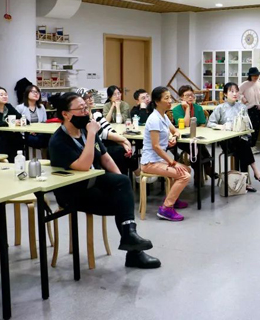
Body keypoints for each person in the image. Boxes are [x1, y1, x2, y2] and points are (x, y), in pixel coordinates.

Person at [48, 92, 160, 268]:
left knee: (122, 187)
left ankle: (130, 238)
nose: (86, 112)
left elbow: (105, 158)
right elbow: (84, 166)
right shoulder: (59, 141)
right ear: (66, 114)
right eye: (81, 109)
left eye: (86, 108)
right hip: (73, 192)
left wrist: (120, 181)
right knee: (121, 205)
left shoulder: (84, 130)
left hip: (92, 183)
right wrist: (92, 134)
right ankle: (133, 250)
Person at [141, 86, 191, 221]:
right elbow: (156, 146)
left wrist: (173, 137)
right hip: (150, 162)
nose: (170, 101)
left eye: (170, 98)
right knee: (184, 175)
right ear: (157, 101)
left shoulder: (163, 116)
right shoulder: (154, 119)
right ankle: (166, 208)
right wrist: (172, 162)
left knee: (187, 169)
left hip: (159, 160)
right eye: (166, 98)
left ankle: (173, 198)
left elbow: (176, 131)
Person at [208, 82, 260, 192]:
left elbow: (247, 124)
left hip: (240, 139)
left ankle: (245, 181)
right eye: (231, 91)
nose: (235, 94)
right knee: (244, 146)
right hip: (227, 141)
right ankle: (254, 174)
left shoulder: (242, 107)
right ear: (225, 94)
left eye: (236, 91)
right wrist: (222, 126)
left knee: (243, 146)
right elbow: (210, 123)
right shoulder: (220, 108)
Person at [80, 89, 136, 176]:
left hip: (105, 142)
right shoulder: (83, 118)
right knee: (119, 151)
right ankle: (131, 176)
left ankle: (127, 178)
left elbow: (109, 129)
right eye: (87, 98)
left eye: (91, 96)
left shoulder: (97, 114)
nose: (90, 99)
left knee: (122, 149)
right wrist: (124, 140)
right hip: (96, 147)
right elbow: (102, 133)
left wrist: (123, 143)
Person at [0, 87, 24, 158]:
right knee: (6, 139)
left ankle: (17, 160)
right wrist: (8, 123)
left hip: (9, 136)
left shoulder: (8, 107)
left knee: (18, 137)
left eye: (5, 94)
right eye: (1, 95)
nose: (4, 96)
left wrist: (21, 121)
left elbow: (20, 117)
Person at [16, 84, 49, 149]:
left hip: (40, 132)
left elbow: (44, 122)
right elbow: (17, 124)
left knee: (50, 138)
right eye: (33, 92)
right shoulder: (20, 107)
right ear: (27, 94)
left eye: (37, 92)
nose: (36, 94)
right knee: (37, 140)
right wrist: (30, 131)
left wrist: (37, 131)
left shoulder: (41, 107)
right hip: (26, 133)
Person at [239, 67, 260, 154]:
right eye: (254, 75)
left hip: (257, 108)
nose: (256, 77)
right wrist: (243, 98)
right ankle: (249, 146)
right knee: (250, 128)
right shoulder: (245, 84)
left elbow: (259, 95)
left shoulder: (258, 84)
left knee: (257, 127)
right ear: (250, 76)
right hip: (248, 108)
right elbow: (238, 92)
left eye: (257, 75)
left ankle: (253, 145)